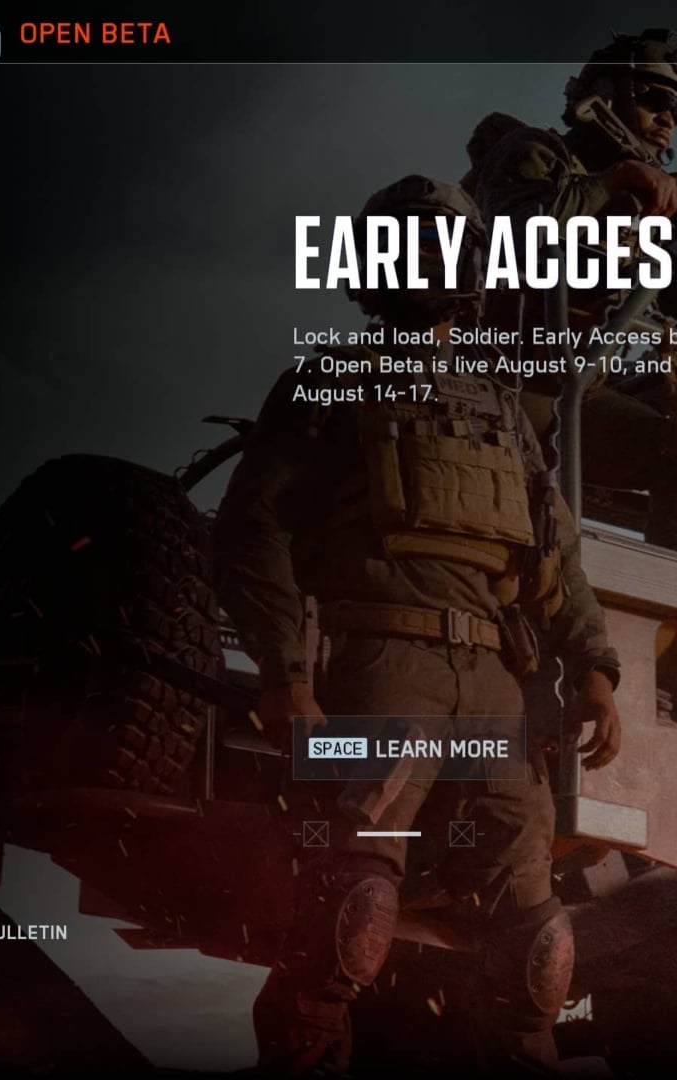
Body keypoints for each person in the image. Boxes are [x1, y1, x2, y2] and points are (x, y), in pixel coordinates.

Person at [214, 175, 622, 1073]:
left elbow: (554, 559)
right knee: (347, 920)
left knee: (535, 948)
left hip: (490, 692)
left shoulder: (504, 415)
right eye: (411, 243)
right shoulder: (330, 381)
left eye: (447, 244)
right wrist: (285, 677)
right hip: (378, 672)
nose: (431, 259)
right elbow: (253, 531)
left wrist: (595, 668)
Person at [462, 28, 677, 554]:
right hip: (501, 382)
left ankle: (669, 609)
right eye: (655, 99)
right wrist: (617, 180)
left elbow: (673, 300)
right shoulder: (535, 153)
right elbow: (520, 233)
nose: (668, 118)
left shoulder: (647, 200)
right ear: (607, 91)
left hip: (580, 394)